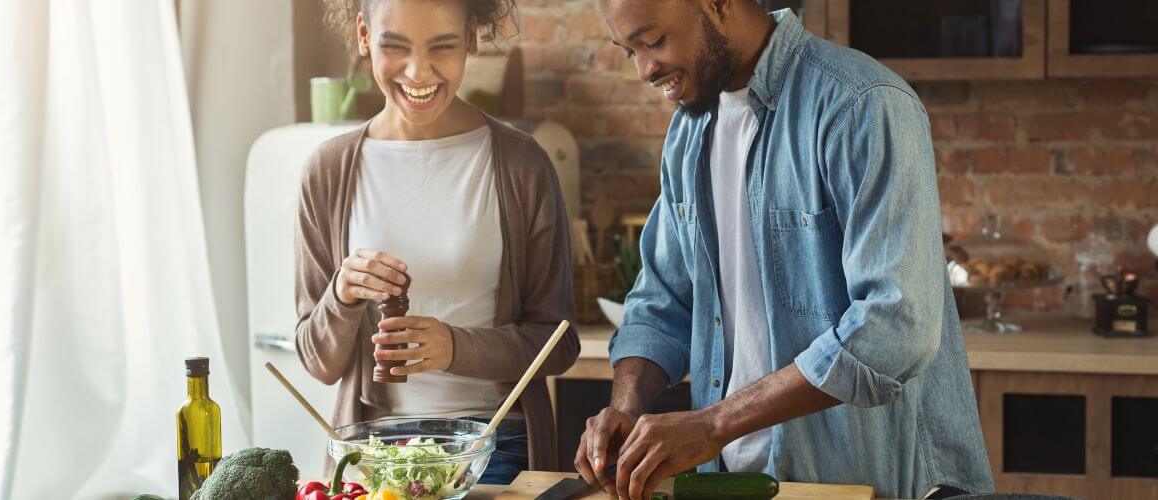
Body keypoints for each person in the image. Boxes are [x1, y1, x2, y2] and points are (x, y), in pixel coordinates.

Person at [574, 1, 994, 498]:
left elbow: (895, 327)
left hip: (872, 483)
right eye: (629, 52)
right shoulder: (687, 132)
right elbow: (663, 301)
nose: (645, 69)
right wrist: (625, 409)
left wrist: (712, 425)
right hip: (734, 483)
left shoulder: (861, 104)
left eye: (655, 41)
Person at [294, 0, 579, 484]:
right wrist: (341, 297)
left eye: (442, 47)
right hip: (372, 451)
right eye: (394, 46)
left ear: (470, 37)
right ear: (364, 35)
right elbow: (318, 360)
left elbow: (560, 341)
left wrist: (453, 348)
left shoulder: (521, 164)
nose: (417, 71)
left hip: (493, 445)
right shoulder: (328, 171)